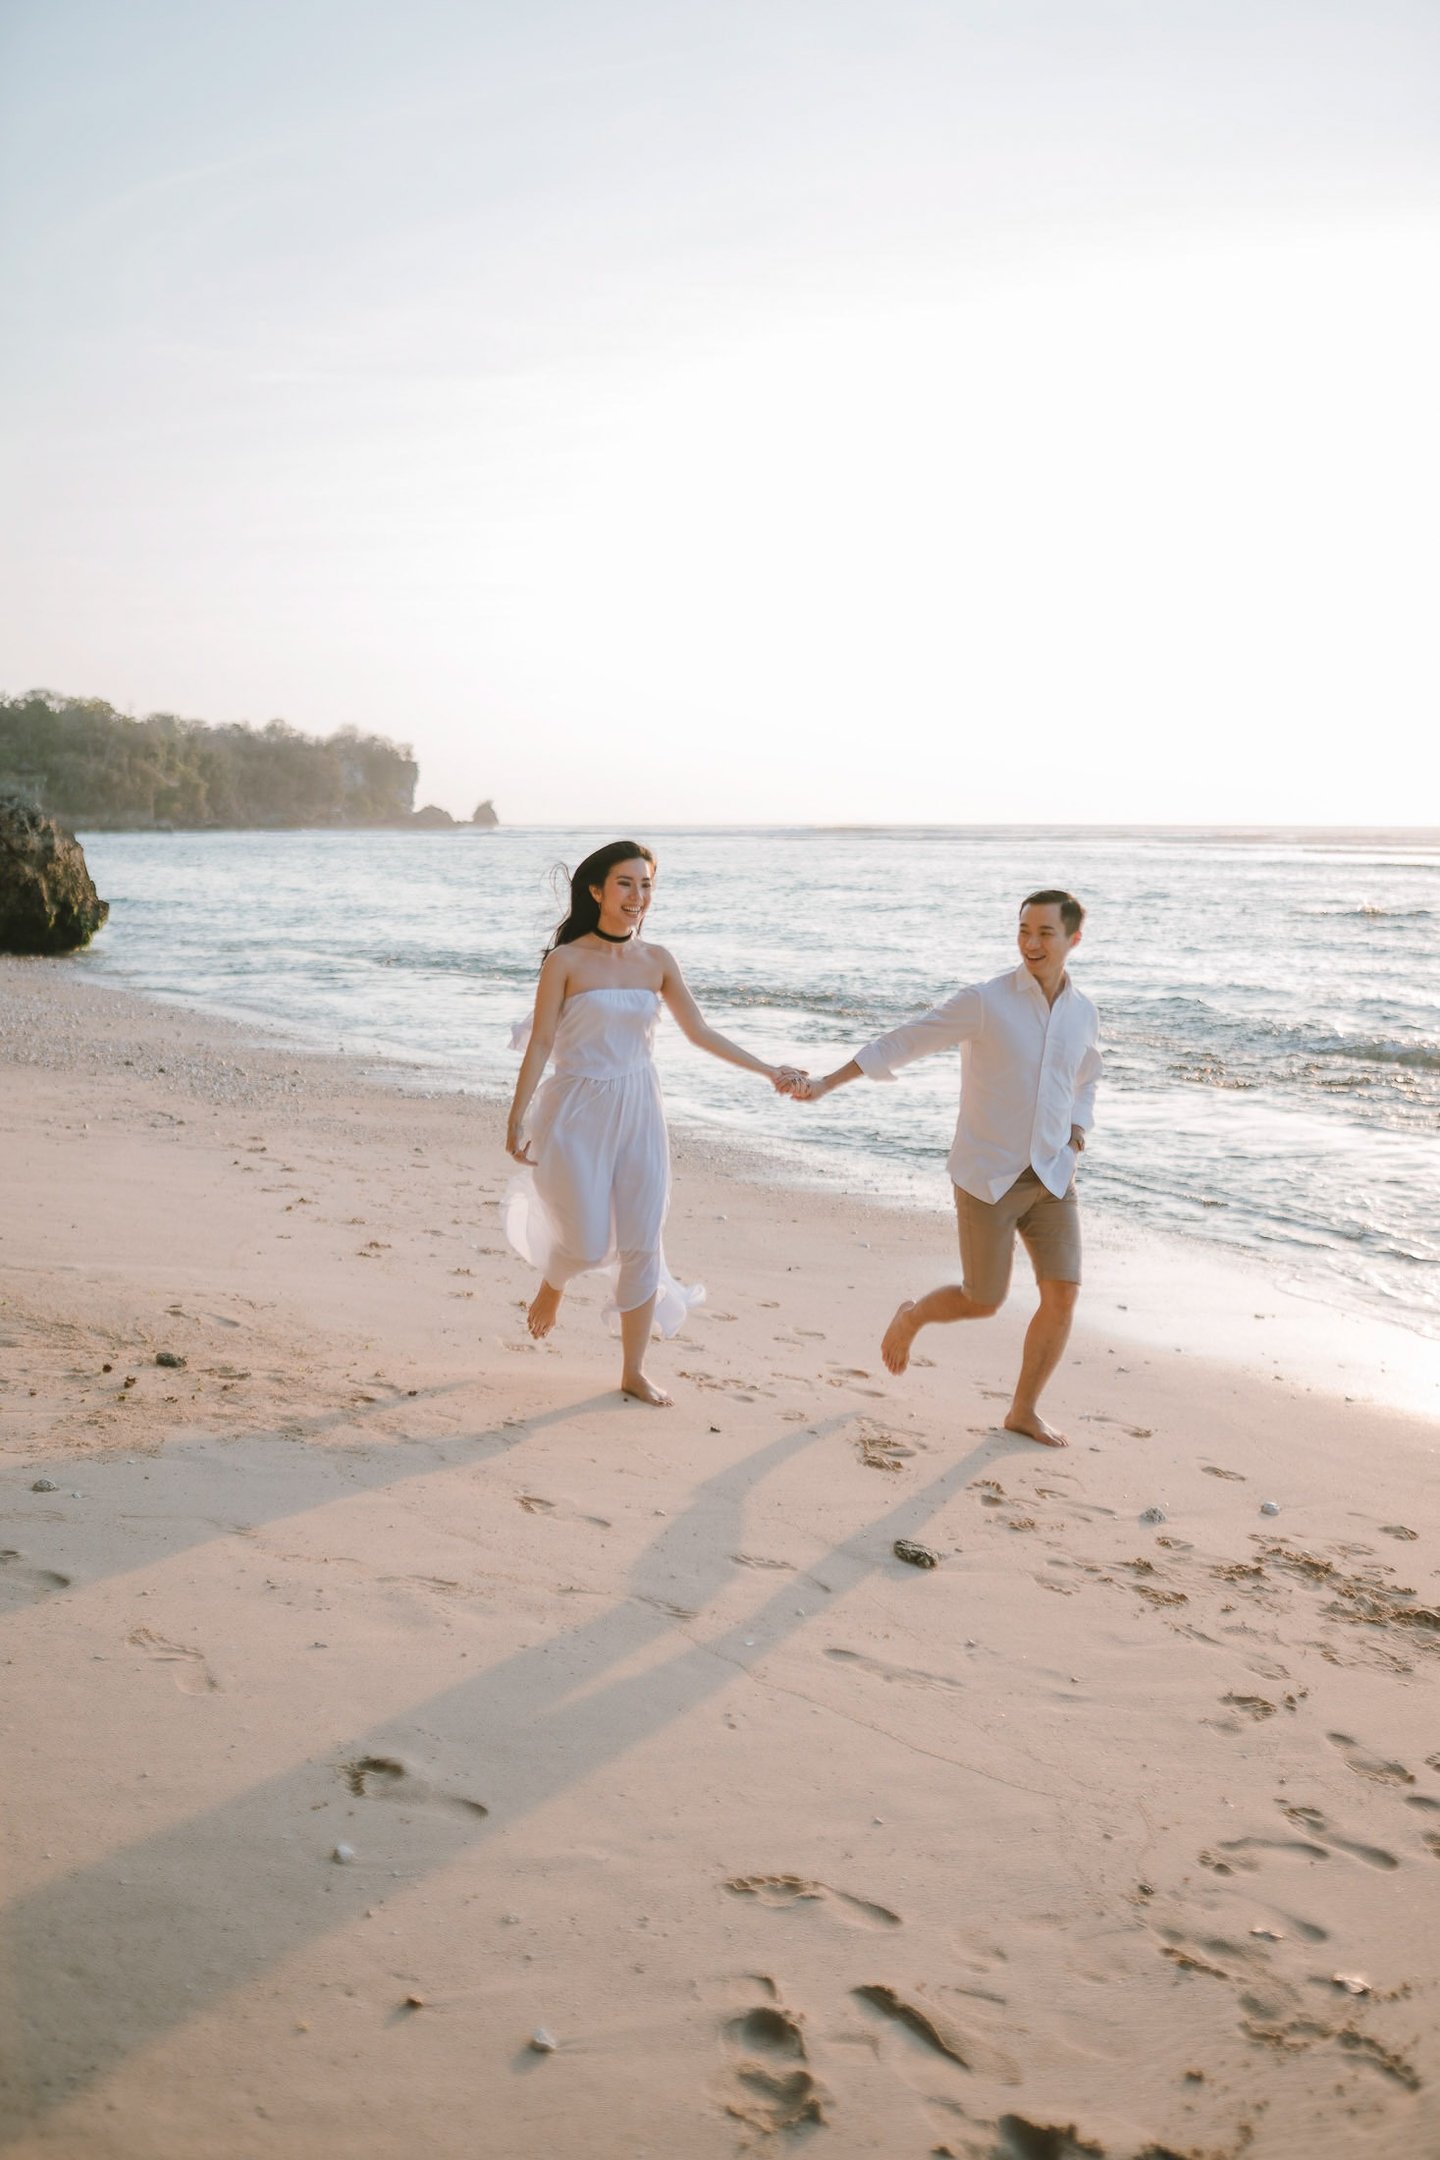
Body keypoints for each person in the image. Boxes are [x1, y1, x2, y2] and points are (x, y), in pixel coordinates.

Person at [792, 890, 1101, 1446]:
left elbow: (1087, 1075)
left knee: (1063, 1294)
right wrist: (826, 1084)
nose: (1031, 943)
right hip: (989, 1175)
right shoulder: (985, 1001)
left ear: (1073, 939)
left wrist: (1078, 1131)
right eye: (1024, 930)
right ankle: (911, 1317)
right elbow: (909, 1038)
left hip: (1054, 1175)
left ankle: (1022, 1411)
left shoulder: (1084, 1012)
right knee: (984, 1299)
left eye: (1045, 933)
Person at [504, 841, 806, 1406]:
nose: (637, 896)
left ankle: (633, 1370)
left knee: (644, 1240)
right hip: (576, 1111)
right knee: (589, 1240)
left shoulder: (657, 960)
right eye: (625, 883)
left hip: (640, 1108)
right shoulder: (565, 962)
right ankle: (556, 1279)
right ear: (596, 890)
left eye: (646, 886)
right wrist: (516, 1113)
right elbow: (542, 1040)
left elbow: (701, 1032)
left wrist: (769, 1069)